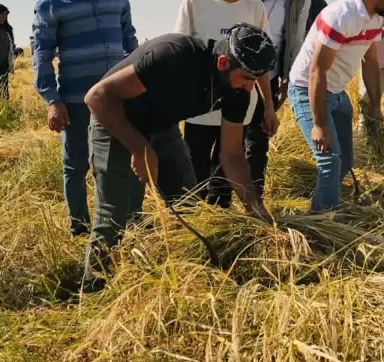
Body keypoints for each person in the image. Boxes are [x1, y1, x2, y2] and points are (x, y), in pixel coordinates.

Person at [80, 24, 276, 291]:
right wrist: (139, 148)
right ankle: (94, 292)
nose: (250, 88)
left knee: (188, 205)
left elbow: (231, 155)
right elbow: (97, 96)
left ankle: (185, 282)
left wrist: (254, 208)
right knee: (113, 215)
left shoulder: (238, 92)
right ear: (222, 62)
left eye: (256, 80)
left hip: (161, 125)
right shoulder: (172, 56)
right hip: (115, 119)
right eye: (246, 78)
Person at [33, 0, 138, 237]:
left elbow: (129, 39)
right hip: (77, 100)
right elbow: (42, 54)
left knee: (128, 159)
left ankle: (131, 222)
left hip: (119, 97)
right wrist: (52, 100)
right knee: (77, 165)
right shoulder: (50, 6)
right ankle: (79, 227)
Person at [287, 0, 384, 213]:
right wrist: (319, 124)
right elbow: (316, 71)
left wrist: (374, 106)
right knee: (329, 160)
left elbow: (370, 61)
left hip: (337, 94)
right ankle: (326, 222)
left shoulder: (375, 18)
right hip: (308, 91)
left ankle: (321, 207)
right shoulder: (341, 16)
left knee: (345, 161)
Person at [174, 0, 278, 207]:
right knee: (194, 170)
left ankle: (221, 221)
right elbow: (181, 55)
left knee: (225, 170)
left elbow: (262, 63)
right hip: (201, 105)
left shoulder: (254, 7)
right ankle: (191, 225)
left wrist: (268, 107)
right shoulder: (194, 3)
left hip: (240, 104)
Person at [242, 0, 311, 199]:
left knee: (258, 139)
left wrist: (289, 78)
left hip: (269, 75)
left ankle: (254, 196)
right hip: (236, 71)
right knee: (229, 135)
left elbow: (295, 41)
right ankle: (222, 194)